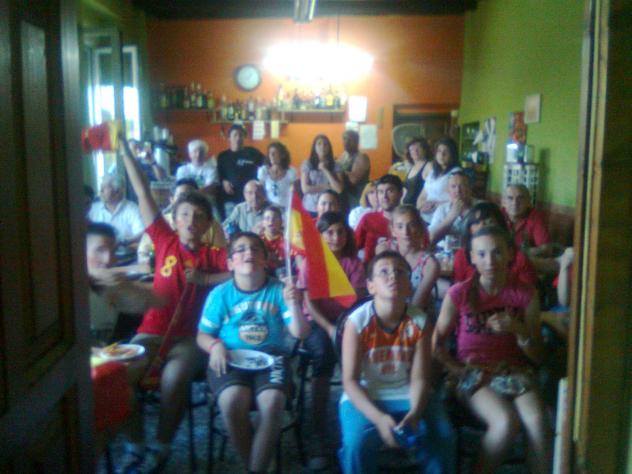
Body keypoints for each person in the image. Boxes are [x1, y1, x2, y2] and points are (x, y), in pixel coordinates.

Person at [117, 136, 231, 473]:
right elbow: (142, 193)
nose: (191, 220)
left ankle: (162, 446)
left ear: (208, 225)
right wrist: (125, 152)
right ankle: (136, 444)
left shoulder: (214, 255)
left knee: (174, 378)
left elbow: (244, 269)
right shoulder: (164, 240)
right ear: (175, 218)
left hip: (190, 339)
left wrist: (207, 279)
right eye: (185, 214)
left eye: (199, 216)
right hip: (150, 332)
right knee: (118, 379)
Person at [433, 226, 551, 473]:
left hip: (514, 370)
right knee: (506, 422)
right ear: (472, 258)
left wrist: (519, 329)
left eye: (497, 252)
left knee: (538, 422)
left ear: (510, 254)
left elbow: (538, 357)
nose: (490, 261)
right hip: (474, 373)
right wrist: (456, 369)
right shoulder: (459, 293)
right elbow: (436, 344)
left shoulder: (525, 294)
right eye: (482, 254)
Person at [196, 232, 310, 474]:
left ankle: (255, 468)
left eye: (255, 249)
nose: (248, 252)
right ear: (230, 263)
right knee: (232, 400)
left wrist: (294, 305)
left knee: (273, 402)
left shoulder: (279, 290)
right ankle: (258, 462)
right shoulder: (220, 294)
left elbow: (301, 332)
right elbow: (202, 335)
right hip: (229, 355)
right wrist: (215, 346)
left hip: (272, 357)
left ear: (265, 260)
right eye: (240, 249)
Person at [339, 251, 455, 474]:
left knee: (443, 436)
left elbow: (420, 377)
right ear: (371, 286)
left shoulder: (420, 321)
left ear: (409, 286)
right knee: (356, 444)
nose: (392, 275)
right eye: (384, 272)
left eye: (400, 272)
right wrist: (379, 418)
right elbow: (350, 381)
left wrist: (416, 412)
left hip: (407, 390)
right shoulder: (357, 322)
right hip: (365, 391)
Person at [297, 211, 366, 469]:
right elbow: (309, 302)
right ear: (321, 236)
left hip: (346, 320)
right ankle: (317, 429)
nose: (336, 237)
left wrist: (343, 327)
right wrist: (328, 327)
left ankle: (363, 415)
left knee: (360, 352)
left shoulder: (353, 263)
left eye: (340, 232)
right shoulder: (311, 263)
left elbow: (357, 300)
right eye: (330, 233)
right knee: (323, 354)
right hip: (317, 322)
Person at [86, 222, 162, 346]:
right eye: (100, 250)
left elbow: (158, 302)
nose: (108, 259)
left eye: (113, 252)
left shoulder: (113, 286)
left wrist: (128, 287)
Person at [137, 178, 227, 265]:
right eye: (181, 196)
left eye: (192, 197)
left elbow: (224, 259)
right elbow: (142, 254)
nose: (187, 201)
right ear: (171, 200)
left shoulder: (212, 225)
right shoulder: (160, 224)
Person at [452, 201, 538, 288]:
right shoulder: (461, 255)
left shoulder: (518, 258)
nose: (482, 227)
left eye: (490, 222)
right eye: (477, 223)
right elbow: (458, 290)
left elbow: (529, 292)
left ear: (500, 226)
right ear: (469, 229)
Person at [376, 205, 439, 315]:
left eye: (412, 225)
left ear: (420, 228)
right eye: (400, 226)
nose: (406, 232)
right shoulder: (384, 249)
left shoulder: (429, 263)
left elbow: (417, 304)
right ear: (393, 230)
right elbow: (380, 290)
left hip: (416, 316)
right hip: (387, 312)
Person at [217, 125, 265, 219]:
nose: (238, 138)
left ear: (244, 137)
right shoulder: (223, 156)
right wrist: (224, 181)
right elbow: (219, 175)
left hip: (251, 199)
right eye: (235, 135)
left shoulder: (253, 152)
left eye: (241, 135)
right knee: (231, 225)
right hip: (231, 199)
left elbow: (267, 166)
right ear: (229, 138)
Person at [355, 174, 404, 263]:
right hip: (371, 269)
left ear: (401, 193)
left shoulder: (410, 220)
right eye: (381, 192)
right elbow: (352, 248)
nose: (384, 197)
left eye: (390, 191)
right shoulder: (368, 219)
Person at [88, 173, 144, 247]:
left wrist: (122, 242)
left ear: (117, 191)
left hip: (125, 251)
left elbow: (142, 234)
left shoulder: (132, 209)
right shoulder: (93, 208)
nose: (100, 191)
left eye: (104, 187)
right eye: (101, 187)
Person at [428, 171, 479, 248]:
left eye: (462, 186)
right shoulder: (441, 209)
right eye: (453, 186)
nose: (458, 190)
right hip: (444, 251)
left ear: (469, 188)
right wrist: (451, 217)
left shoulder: (481, 207)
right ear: (448, 190)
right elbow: (430, 239)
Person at [416, 137, 460, 224]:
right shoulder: (433, 172)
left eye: (446, 151)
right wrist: (420, 207)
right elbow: (423, 194)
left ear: (452, 154)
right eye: (439, 151)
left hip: (443, 219)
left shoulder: (456, 174)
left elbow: (459, 200)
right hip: (424, 217)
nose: (442, 155)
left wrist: (435, 205)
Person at [502, 184, 551, 257]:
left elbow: (546, 249)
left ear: (528, 201)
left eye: (520, 198)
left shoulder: (535, 217)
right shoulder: (497, 215)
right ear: (503, 202)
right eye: (510, 198)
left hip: (526, 260)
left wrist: (516, 253)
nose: (515, 203)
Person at [300, 134, 344, 215]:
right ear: (314, 147)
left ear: (329, 147)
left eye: (325, 144)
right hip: (311, 206)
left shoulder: (336, 165)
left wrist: (325, 170)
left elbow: (339, 189)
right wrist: (327, 186)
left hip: (330, 206)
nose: (322, 146)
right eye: (319, 144)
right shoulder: (307, 163)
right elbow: (305, 189)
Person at [257, 142, 297, 208]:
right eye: (270, 153)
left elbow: (294, 194)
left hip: (286, 208)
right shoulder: (263, 171)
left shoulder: (291, 172)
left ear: (282, 155)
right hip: (268, 208)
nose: (271, 155)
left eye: (275, 153)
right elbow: (260, 191)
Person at [337, 129, 370, 209]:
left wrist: (338, 171)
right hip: (345, 197)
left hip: (357, 199)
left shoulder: (362, 157)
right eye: (344, 139)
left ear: (356, 141)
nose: (346, 142)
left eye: (350, 139)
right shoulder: (344, 155)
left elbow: (353, 180)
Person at [402, 137, 432, 207]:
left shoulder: (429, 166)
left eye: (418, 149)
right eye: (412, 149)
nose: (415, 152)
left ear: (425, 150)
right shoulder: (411, 167)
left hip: (418, 208)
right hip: (406, 208)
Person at [259, 205, 285, 275]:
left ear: (281, 222)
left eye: (275, 218)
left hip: (281, 271)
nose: (271, 221)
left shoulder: (287, 239)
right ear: (262, 222)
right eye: (267, 218)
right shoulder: (258, 239)